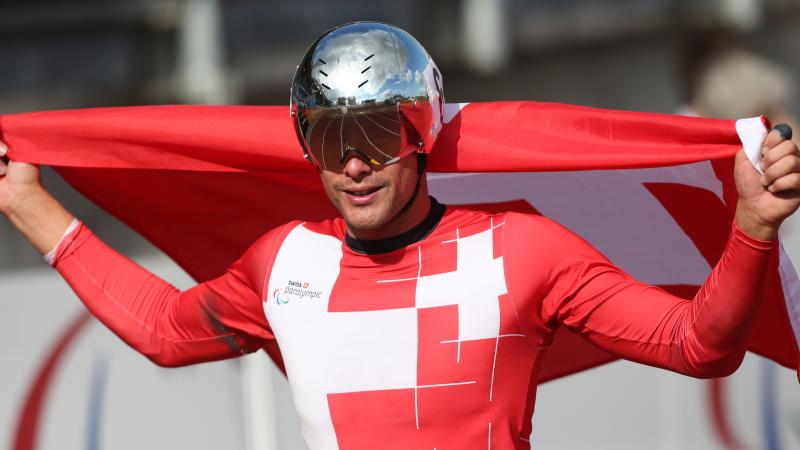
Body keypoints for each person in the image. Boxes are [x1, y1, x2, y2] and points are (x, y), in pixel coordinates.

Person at [1, 21, 799, 449]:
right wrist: (25, 201)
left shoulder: (522, 249)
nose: (353, 163)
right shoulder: (284, 263)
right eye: (326, 138)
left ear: (422, 132)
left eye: (379, 133)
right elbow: (165, 334)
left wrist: (753, 227)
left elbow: (700, 346)